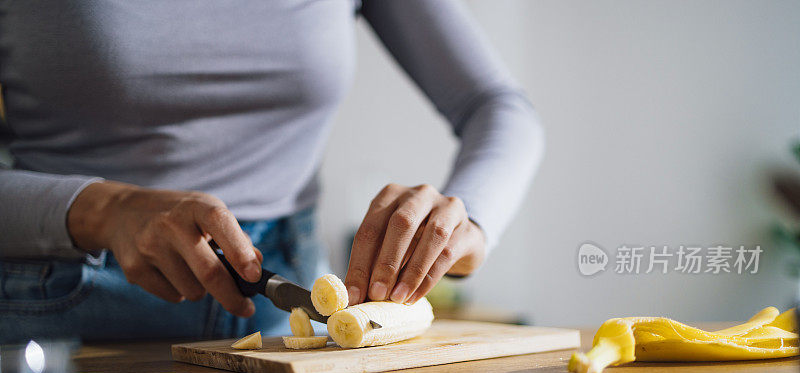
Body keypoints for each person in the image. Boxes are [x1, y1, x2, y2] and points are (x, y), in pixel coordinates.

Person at [0, 0, 543, 342]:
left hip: (286, 311)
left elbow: (497, 105)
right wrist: (104, 209)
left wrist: (472, 216)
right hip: (62, 313)